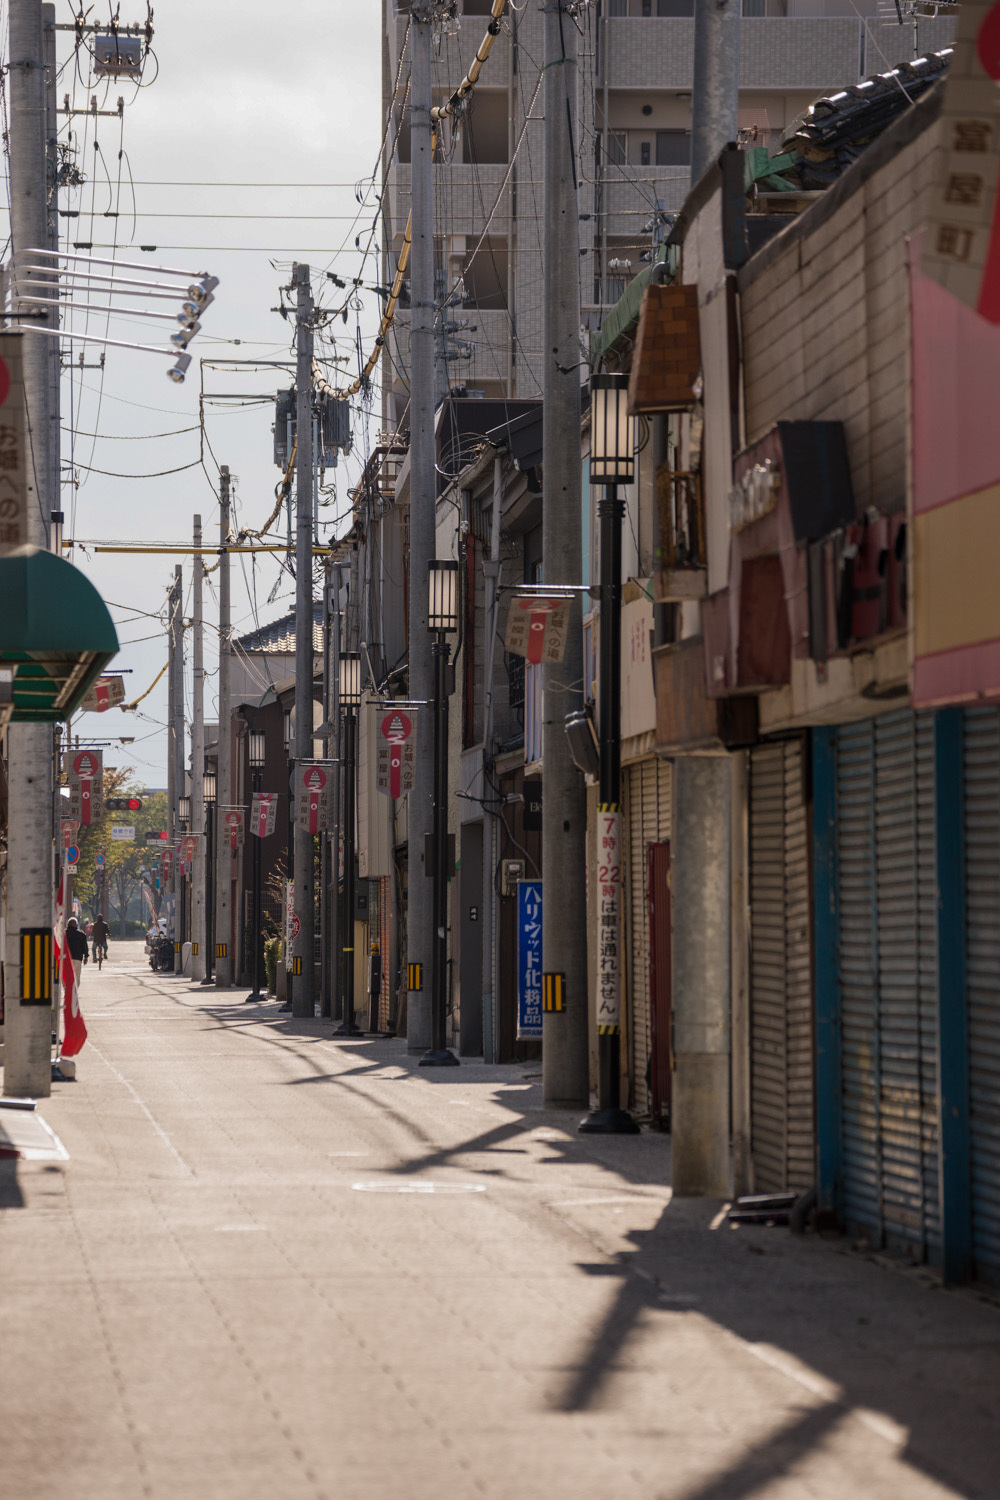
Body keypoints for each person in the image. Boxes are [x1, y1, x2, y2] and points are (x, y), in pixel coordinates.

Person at [64, 917, 89, 990]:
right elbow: (85, 947)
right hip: (77, 958)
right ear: (76, 925)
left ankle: (67, 989)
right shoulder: (81, 934)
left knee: (66, 975)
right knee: (76, 976)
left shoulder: (63, 934)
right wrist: (86, 957)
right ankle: (74, 990)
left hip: (66, 958)